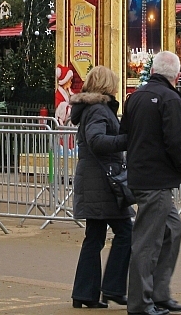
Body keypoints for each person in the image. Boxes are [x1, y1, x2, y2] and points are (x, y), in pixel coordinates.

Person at [120, 51, 181, 315]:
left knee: (171, 229)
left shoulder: (136, 97)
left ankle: (158, 292)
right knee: (148, 241)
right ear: (177, 77)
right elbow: (176, 142)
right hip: (157, 179)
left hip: (141, 175)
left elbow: (125, 133)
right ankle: (141, 302)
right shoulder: (170, 99)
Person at [69, 65, 133, 309]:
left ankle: (85, 292)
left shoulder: (90, 109)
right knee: (125, 233)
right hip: (103, 182)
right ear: (107, 85)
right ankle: (112, 287)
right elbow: (97, 141)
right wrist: (125, 140)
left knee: (94, 237)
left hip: (94, 180)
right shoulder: (98, 110)